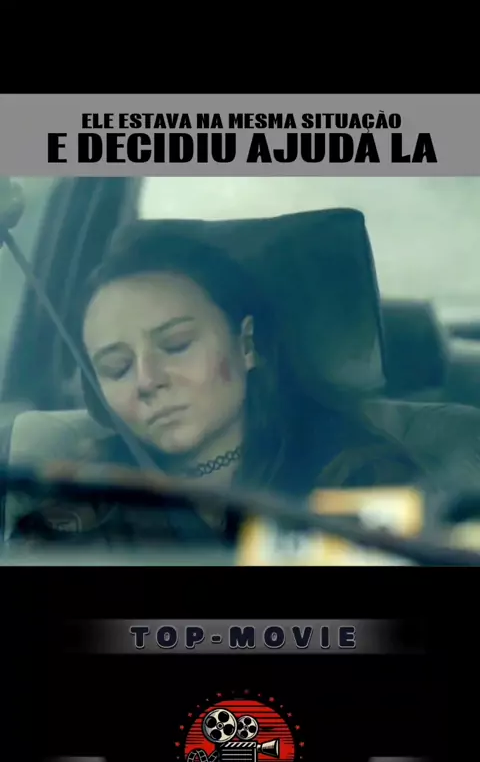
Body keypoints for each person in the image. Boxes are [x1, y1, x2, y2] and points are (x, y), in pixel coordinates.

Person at [12, 222, 420, 546]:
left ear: (246, 344)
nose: (148, 381)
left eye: (177, 345)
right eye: (118, 368)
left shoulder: (360, 475)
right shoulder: (83, 494)